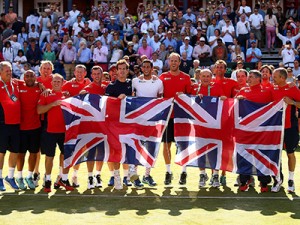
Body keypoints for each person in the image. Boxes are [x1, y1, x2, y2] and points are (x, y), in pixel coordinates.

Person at [236, 70, 273, 192]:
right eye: (249, 77)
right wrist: (238, 100)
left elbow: (277, 104)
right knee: (244, 154)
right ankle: (244, 181)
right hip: (246, 130)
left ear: (258, 78)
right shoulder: (242, 91)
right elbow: (234, 107)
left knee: (262, 155)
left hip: (262, 130)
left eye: (251, 77)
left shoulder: (268, 90)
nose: (249, 79)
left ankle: (264, 182)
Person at [37, 74, 74, 193]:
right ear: (51, 82)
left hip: (64, 131)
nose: (57, 83)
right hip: (50, 131)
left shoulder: (67, 96)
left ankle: (63, 179)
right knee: (49, 156)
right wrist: (52, 104)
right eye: (55, 81)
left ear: (63, 82)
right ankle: (47, 180)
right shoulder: (46, 94)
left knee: (64, 155)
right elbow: (39, 110)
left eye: (59, 81)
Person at [159, 52, 191, 185]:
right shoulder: (162, 77)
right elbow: (158, 96)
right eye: (171, 61)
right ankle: (168, 172)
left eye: (175, 61)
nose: (173, 63)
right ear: (168, 62)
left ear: (179, 62)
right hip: (167, 117)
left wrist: (183, 95)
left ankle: (183, 172)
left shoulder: (186, 77)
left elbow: (191, 96)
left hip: (182, 117)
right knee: (167, 145)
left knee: (183, 145)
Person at [131, 59, 163, 188]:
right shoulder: (135, 81)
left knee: (151, 147)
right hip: (138, 120)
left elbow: (161, 100)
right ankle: (134, 175)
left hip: (153, 120)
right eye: (143, 67)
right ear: (141, 68)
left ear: (151, 68)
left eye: (148, 67)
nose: (145, 69)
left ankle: (147, 175)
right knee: (137, 146)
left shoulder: (159, 82)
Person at [191, 68, 226, 188]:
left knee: (214, 150)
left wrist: (223, 99)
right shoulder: (195, 88)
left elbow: (224, 102)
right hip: (199, 127)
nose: (205, 78)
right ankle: (202, 174)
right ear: (199, 77)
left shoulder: (216, 87)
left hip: (214, 126)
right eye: (203, 76)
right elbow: (189, 104)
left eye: (208, 76)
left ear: (211, 77)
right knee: (200, 151)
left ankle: (215, 175)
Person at [105, 59, 133, 190]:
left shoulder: (132, 84)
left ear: (127, 71)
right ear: (116, 71)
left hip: (128, 123)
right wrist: (117, 100)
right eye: (119, 69)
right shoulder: (111, 86)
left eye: (124, 69)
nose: (121, 71)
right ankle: (117, 177)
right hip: (114, 124)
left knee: (127, 151)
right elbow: (106, 105)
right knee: (116, 150)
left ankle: (127, 177)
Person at [271, 68, 300, 193]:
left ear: (283, 78)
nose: (273, 79)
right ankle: (278, 179)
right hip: (275, 127)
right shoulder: (273, 88)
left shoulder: (292, 89)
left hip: (290, 127)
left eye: (275, 76)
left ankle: (291, 179)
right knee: (276, 155)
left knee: (290, 154)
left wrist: (292, 102)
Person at [79, 66, 106, 189]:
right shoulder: (87, 89)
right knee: (90, 153)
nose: (96, 76)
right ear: (91, 75)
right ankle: (90, 176)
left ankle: (98, 175)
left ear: (101, 74)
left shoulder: (106, 87)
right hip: (91, 126)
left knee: (101, 153)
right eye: (94, 73)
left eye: (98, 73)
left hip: (104, 126)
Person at [16, 70, 42, 190]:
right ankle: (19, 177)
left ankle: (29, 176)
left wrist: (43, 86)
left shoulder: (39, 88)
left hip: (35, 127)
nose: (30, 78)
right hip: (21, 128)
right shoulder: (18, 85)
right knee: (21, 154)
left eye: (32, 76)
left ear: (35, 77)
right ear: (24, 78)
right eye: (27, 76)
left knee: (33, 154)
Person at [0, 61, 21, 191]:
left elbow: (32, 83)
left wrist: (41, 85)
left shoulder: (16, 83)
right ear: (0, 72)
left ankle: (11, 177)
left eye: (10, 70)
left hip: (16, 124)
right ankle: (0, 178)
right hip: (2, 124)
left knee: (14, 151)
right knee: (1, 152)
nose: (9, 72)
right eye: (7, 70)